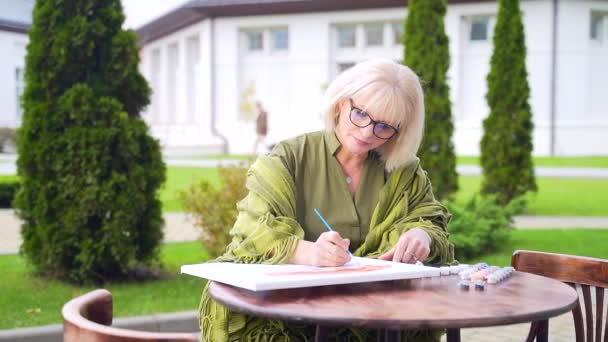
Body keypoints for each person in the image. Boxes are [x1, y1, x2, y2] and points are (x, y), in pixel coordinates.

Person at [199, 58, 455, 341]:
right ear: (340, 103)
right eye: (360, 114)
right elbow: (253, 230)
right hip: (287, 312)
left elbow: (430, 221)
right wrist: (307, 252)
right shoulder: (289, 158)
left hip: (374, 315)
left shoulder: (404, 171)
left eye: (384, 127)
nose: (367, 132)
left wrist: (422, 234)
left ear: (400, 131)